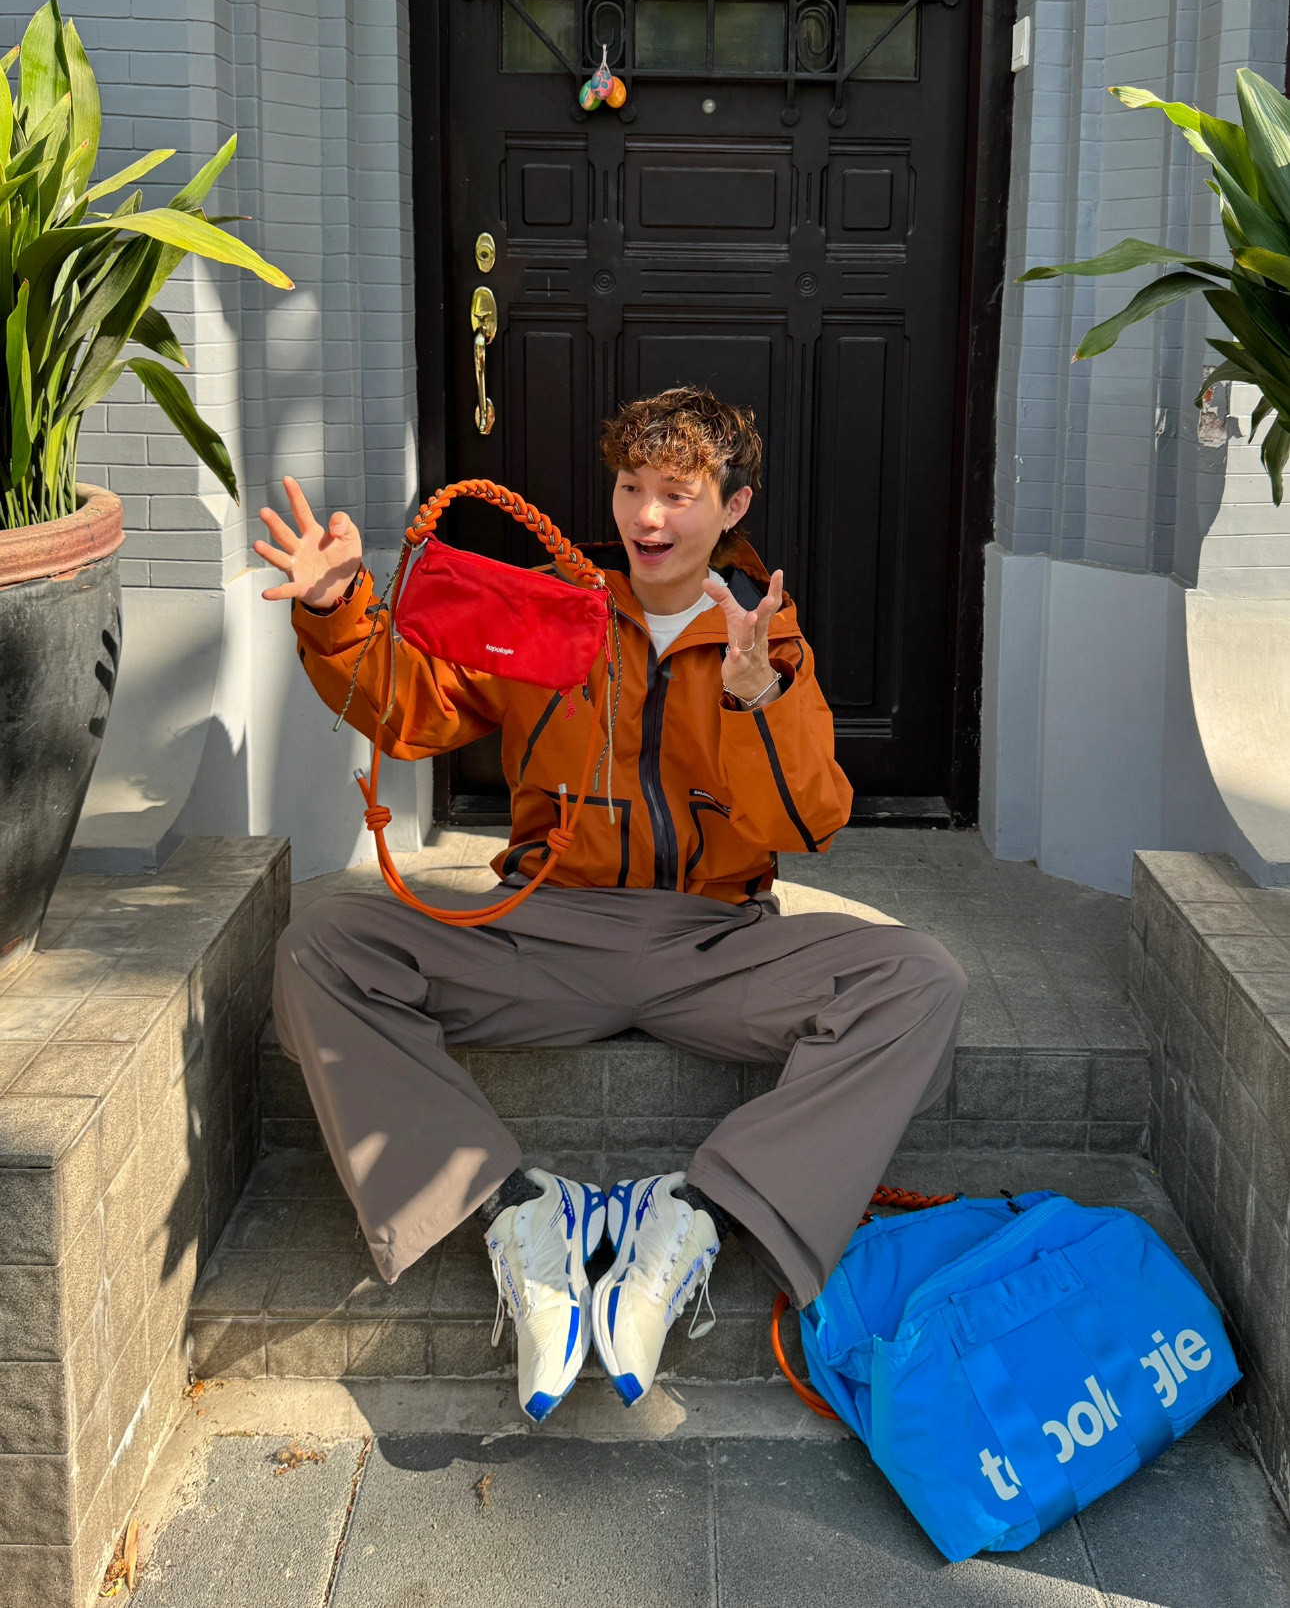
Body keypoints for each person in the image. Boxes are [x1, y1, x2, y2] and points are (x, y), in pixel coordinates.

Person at [259, 385, 967, 1423]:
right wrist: (334, 612)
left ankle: (696, 1213)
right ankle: (516, 1212)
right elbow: (413, 708)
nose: (649, 515)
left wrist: (757, 695)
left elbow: (811, 820)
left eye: (679, 492)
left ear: (733, 506)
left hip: (713, 941)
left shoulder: (766, 636)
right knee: (321, 945)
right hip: (544, 930)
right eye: (634, 486)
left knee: (919, 977)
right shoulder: (556, 606)